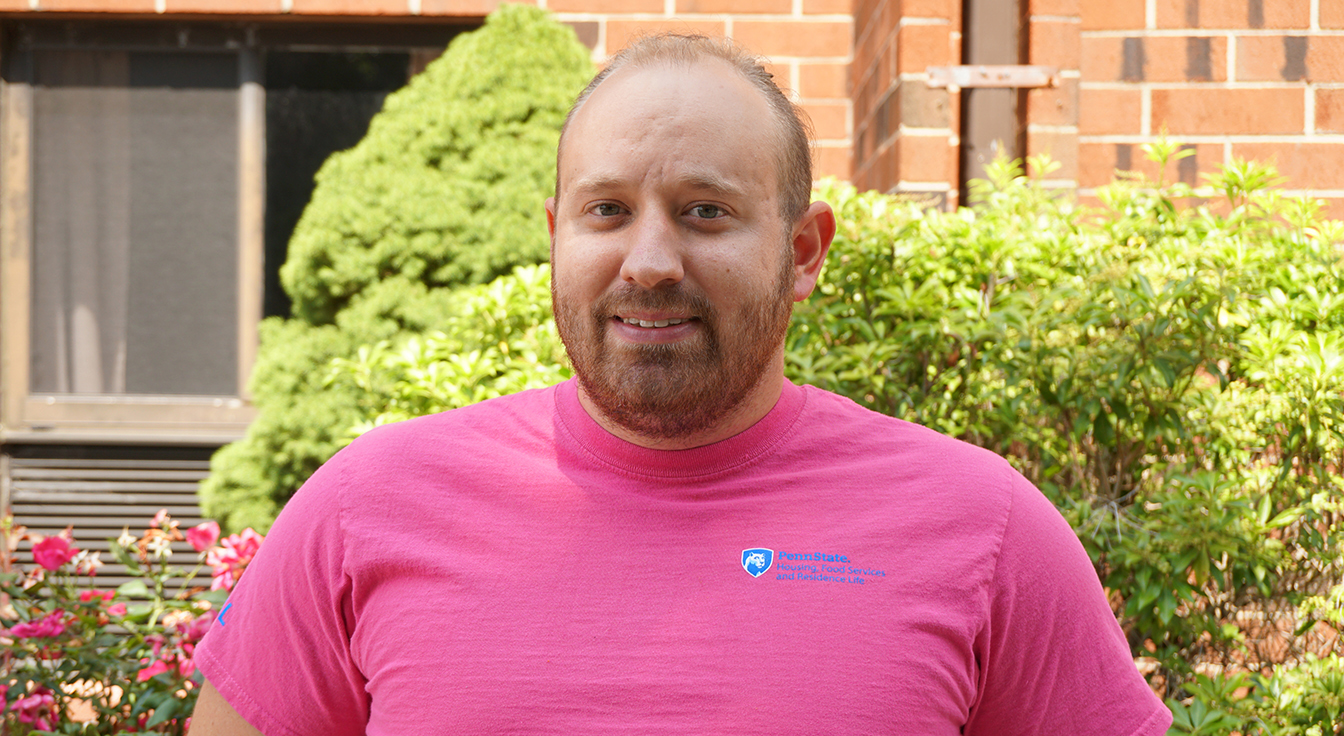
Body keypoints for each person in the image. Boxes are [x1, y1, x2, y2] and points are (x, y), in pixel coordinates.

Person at [189, 34, 1172, 736]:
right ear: (555, 238)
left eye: (705, 211)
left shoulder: (982, 525)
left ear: (802, 250)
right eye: (607, 209)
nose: (650, 259)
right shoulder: (366, 506)